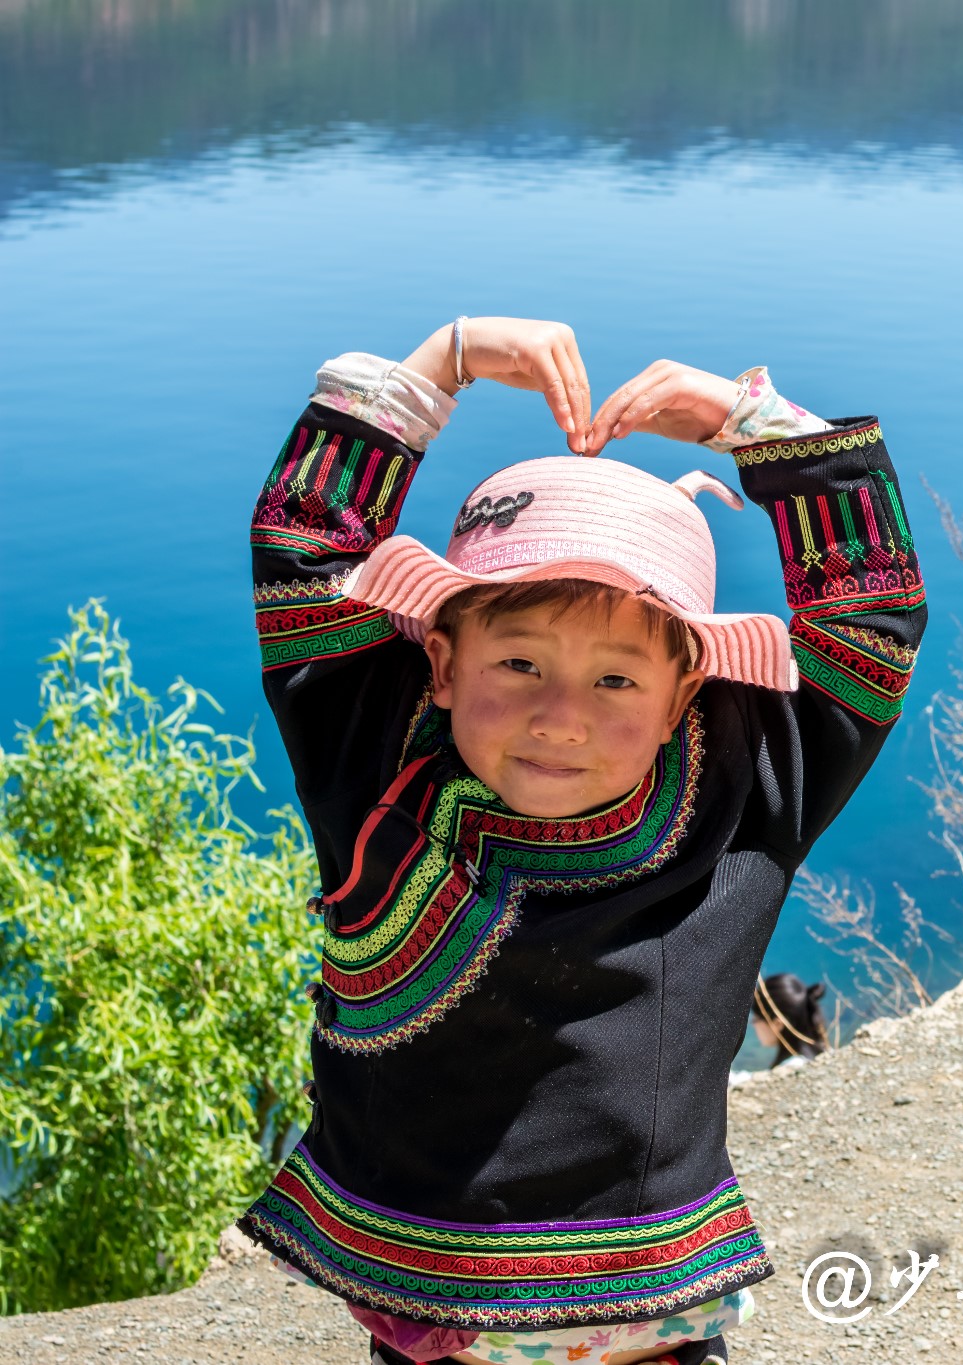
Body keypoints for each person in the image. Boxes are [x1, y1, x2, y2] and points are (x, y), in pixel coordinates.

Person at [236, 317, 925, 1365]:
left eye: (616, 679)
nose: (560, 716)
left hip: (649, 1323)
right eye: (517, 664)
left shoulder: (742, 787)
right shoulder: (374, 753)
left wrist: (760, 425)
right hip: (423, 1314)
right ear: (439, 662)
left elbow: (871, 619)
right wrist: (442, 360)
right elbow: (304, 548)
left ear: (682, 693)